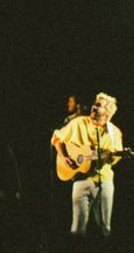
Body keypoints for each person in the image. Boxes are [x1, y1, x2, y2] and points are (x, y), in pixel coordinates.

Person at [51, 92, 125, 238]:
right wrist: (64, 157)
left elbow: (116, 156)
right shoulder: (79, 123)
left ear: (107, 112)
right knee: (77, 228)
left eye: (99, 105)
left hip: (104, 182)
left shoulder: (114, 132)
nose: (93, 107)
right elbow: (56, 138)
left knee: (105, 228)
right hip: (81, 180)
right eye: (94, 104)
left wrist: (110, 157)